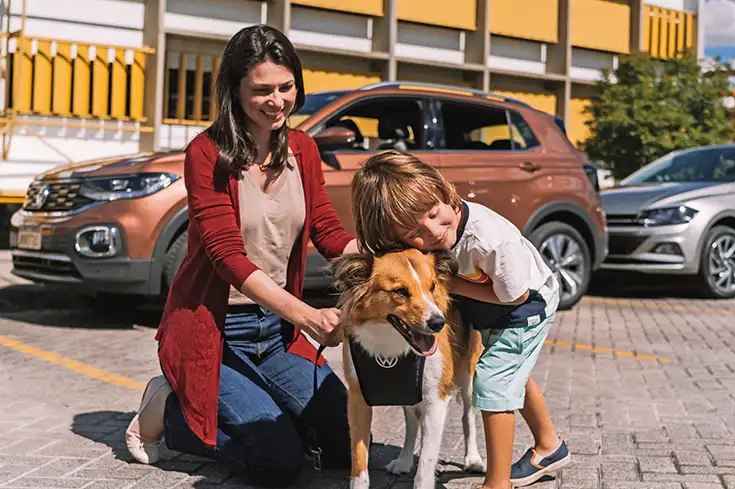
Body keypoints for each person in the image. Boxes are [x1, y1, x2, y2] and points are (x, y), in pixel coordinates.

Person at [123, 24, 358, 487]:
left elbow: (327, 231)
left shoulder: (304, 150)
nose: (277, 101)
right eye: (262, 90)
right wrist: (308, 315)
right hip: (216, 332)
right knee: (278, 463)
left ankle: (249, 409)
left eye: (286, 87)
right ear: (235, 89)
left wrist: (386, 260)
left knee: (343, 442)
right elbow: (227, 257)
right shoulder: (206, 153)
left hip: (276, 336)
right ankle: (168, 410)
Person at [350, 150, 571, 489]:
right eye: (413, 230)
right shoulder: (423, 239)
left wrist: (451, 284)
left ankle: (497, 482)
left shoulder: (490, 239)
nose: (433, 232)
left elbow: (516, 296)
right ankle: (550, 445)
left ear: (444, 191)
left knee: (493, 382)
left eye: (434, 214)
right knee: (515, 376)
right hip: (491, 306)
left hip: (526, 306)